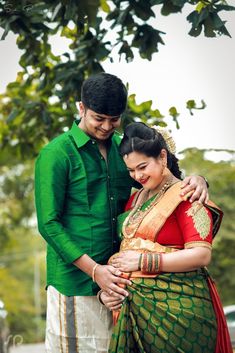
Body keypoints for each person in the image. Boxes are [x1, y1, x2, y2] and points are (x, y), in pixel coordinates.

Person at [34, 73, 209, 353]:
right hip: (76, 284)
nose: (106, 126)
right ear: (81, 108)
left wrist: (198, 179)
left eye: (113, 119)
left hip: (125, 288)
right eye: (98, 118)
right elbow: (49, 224)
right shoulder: (57, 154)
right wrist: (95, 271)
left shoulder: (123, 149)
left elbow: (162, 180)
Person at [99, 122, 232, 353]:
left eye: (142, 166)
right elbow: (122, 253)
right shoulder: (134, 200)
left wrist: (143, 262)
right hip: (133, 313)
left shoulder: (187, 194)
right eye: (131, 170)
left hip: (180, 316)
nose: (137, 175)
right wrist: (106, 294)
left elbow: (201, 254)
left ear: (162, 156)